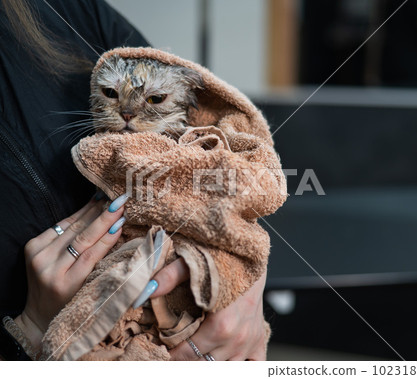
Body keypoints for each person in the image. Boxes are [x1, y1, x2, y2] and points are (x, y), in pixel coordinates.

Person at [0, 0, 267, 361]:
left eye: (155, 99)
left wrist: (241, 275)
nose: (127, 113)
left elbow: (249, 185)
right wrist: (29, 331)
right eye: (111, 94)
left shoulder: (66, 8)